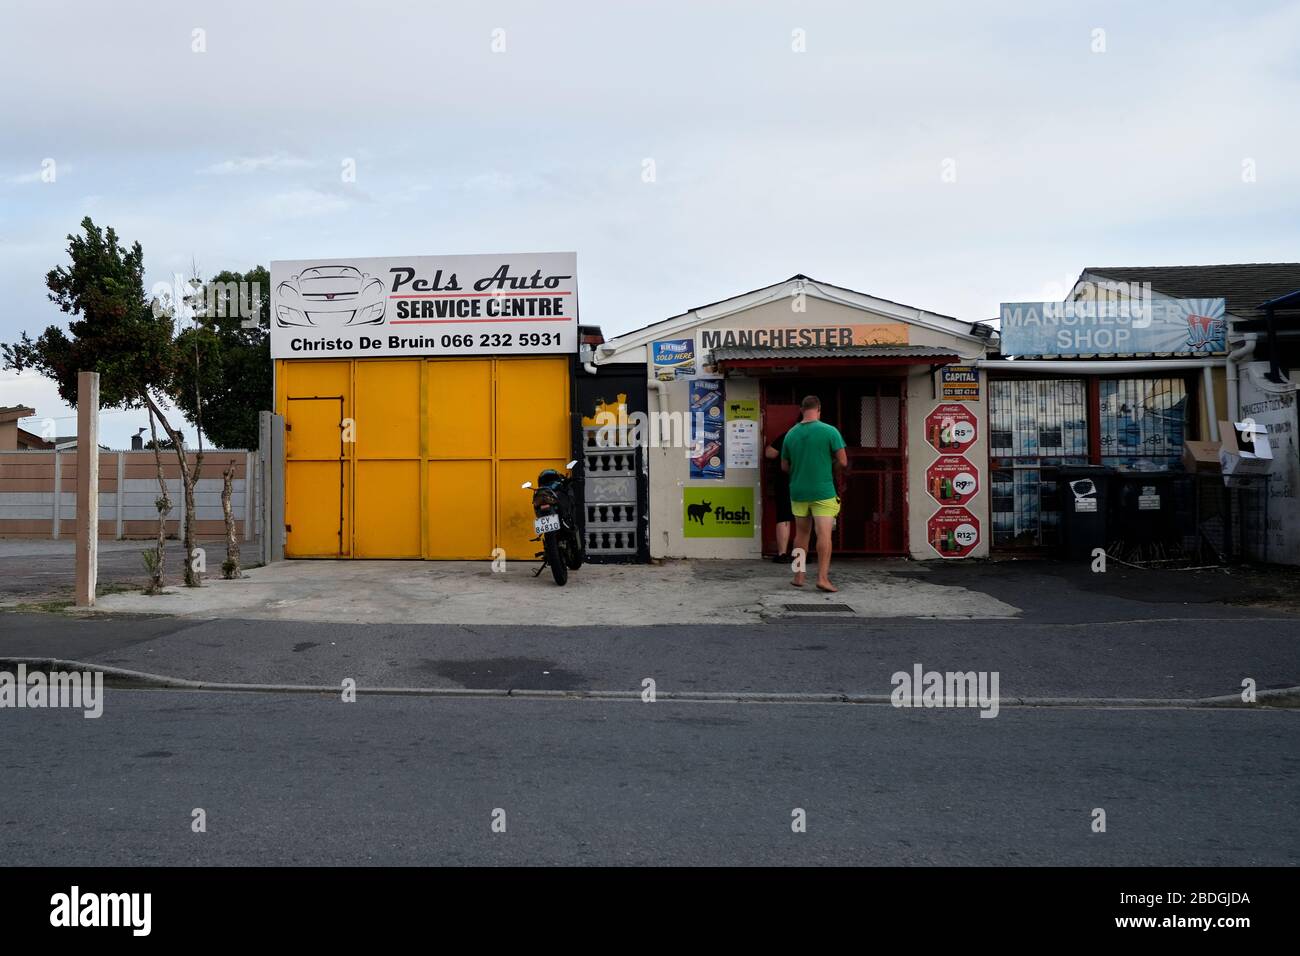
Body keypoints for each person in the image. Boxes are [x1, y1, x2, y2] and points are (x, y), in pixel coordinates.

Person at [781, 395, 847, 592]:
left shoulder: (790, 434)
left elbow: (784, 466)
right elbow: (843, 461)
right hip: (823, 490)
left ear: (802, 410)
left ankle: (799, 576)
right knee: (823, 534)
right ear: (819, 409)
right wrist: (830, 469)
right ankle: (822, 578)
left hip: (798, 490)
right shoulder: (830, 431)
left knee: (801, 535)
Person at [764, 428, 794, 562]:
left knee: (784, 516)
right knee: (805, 518)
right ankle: (802, 554)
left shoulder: (789, 434)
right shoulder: (824, 434)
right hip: (811, 481)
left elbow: (769, 453)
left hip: (786, 481)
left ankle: (782, 554)